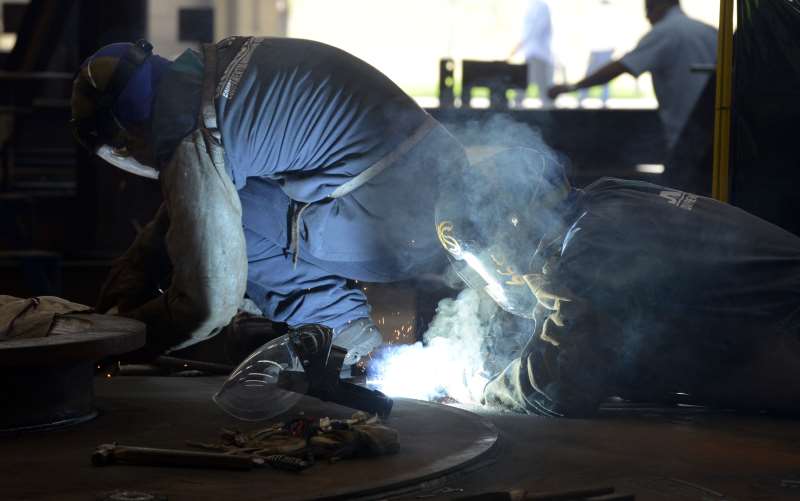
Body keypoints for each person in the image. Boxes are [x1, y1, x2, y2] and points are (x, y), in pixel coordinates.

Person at [70, 37, 467, 364]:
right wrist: (136, 268)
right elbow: (192, 205)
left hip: (405, 226)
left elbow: (207, 305)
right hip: (433, 192)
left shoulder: (190, 132)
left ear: (124, 136)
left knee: (233, 224)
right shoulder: (213, 72)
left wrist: (121, 342)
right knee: (230, 201)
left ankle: (343, 336)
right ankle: (340, 331)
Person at [436, 147, 800, 416]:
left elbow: (560, 386)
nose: (502, 272)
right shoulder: (608, 198)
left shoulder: (594, 243)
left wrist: (485, 392)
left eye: (492, 257)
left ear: (515, 224)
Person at [548, 0, 717, 149]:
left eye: (647, 10)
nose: (647, 18)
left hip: (684, 133)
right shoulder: (710, 32)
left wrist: (571, 87)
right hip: (715, 130)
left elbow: (620, 67)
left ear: (656, 5)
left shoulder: (664, 32)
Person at [509, 0, 555, 108]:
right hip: (534, 54)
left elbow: (533, 31)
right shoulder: (532, 6)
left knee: (540, 91)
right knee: (529, 87)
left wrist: (516, 48)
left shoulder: (540, 6)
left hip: (538, 54)